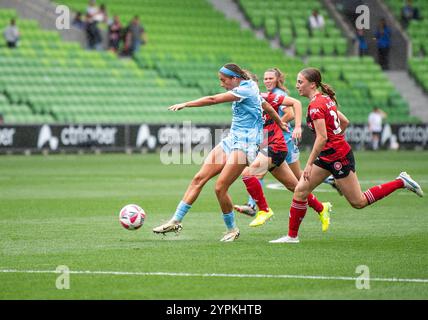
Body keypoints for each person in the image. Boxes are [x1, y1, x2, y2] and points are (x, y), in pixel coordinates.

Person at [270, 68, 424, 244]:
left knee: (358, 202)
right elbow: (345, 122)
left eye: (300, 82)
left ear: (312, 84)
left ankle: (401, 181)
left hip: (338, 157)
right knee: (300, 190)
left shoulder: (316, 106)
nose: (297, 86)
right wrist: (335, 141)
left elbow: (322, 138)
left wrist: (310, 163)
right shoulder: (325, 99)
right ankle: (292, 237)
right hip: (330, 154)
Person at [152, 63, 287, 242]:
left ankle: (232, 229)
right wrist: (279, 122)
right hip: (232, 140)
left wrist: (186, 104)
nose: (222, 84)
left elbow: (213, 100)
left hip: (246, 144)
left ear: (235, 79)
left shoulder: (246, 90)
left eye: (223, 81)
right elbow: (267, 107)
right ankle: (175, 220)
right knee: (199, 178)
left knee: (220, 187)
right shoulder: (250, 87)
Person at [233, 69, 332, 232]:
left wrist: (298, 126)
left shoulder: (265, 97)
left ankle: (263, 210)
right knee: (295, 186)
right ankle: (322, 208)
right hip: (267, 146)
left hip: (276, 146)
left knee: (249, 174)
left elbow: (296, 103)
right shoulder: (241, 102)